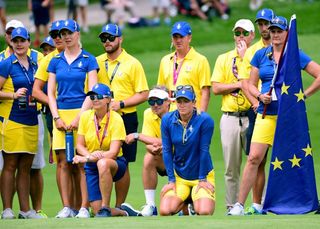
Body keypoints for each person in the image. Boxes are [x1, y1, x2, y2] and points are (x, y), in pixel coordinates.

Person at [228, 16, 320, 215]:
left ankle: (301, 201)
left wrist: (303, 96)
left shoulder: (295, 55)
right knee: (254, 158)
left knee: (294, 159)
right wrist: (260, 96)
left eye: (280, 31)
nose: (276, 34)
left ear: (287, 33)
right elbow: (250, 85)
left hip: (289, 119)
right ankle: (239, 205)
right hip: (266, 114)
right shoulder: (261, 55)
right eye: (273, 31)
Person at [47, 19, 98, 218]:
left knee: (81, 161)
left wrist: (80, 117)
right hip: (60, 114)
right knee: (63, 162)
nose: (66, 37)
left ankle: (84, 207)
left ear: (77, 34)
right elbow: (51, 92)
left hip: (83, 113)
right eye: (62, 34)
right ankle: (67, 206)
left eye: (69, 33)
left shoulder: (88, 59)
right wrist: (56, 117)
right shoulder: (55, 61)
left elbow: (92, 91)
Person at [96, 23, 149, 204]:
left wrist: (122, 103)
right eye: (104, 38)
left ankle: (119, 205)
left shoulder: (133, 63)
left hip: (125, 116)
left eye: (111, 38)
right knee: (102, 159)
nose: (107, 42)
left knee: (123, 162)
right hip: (102, 118)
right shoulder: (96, 62)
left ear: (120, 39)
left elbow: (144, 94)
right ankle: (103, 204)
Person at [72, 83, 139, 217]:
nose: (95, 99)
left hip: (115, 163)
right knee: (96, 211)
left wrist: (87, 158)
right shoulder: (85, 117)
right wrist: (90, 155)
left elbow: (113, 153)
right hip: (92, 163)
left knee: (102, 163)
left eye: (99, 96)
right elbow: (79, 145)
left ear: (108, 99)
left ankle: (105, 207)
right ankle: (124, 212)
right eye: (92, 96)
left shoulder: (116, 119)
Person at [211, 19, 255, 213]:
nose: (241, 37)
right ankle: (232, 205)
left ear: (252, 36)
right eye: (238, 33)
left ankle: (256, 204)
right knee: (231, 166)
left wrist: (246, 58)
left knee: (256, 162)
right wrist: (238, 85)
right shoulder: (223, 58)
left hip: (252, 115)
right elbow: (216, 87)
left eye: (245, 33)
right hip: (229, 116)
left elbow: (259, 86)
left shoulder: (258, 58)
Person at [0, 27, 42, 219]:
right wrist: (13, 95)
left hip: (32, 119)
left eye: (22, 40)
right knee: (10, 164)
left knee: (26, 166)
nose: (18, 44)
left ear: (28, 42)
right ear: (11, 42)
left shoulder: (35, 64)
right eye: (15, 41)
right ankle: (7, 208)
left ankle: (25, 210)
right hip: (13, 118)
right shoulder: (6, 64)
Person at [238, 8, 274, 215]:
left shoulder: (284, 47)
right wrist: (255, 103)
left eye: (266, 23)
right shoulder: (253, 52)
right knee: (257, 159)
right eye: (260, 24)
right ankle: (257, 204)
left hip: (279, 108)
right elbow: (245, 82)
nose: (263, 28)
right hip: (258, 107)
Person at [159, 85, 215, 215]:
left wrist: (202, 179)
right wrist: (171, 180)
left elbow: (204, 150)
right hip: (180, 176)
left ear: (194, 103)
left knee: (204, 211)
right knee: (165, 210)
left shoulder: (205, 120)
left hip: (202, 174)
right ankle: (186, 201)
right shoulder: (167, 120)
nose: (182, 105)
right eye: (179, 101)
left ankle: (193, 200)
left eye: (186, 101)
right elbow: (167, 150)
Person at [125, 86, 172, 216]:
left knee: (173, 208)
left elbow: (175, 141)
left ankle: (187, 204)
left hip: (180, 158)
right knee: (149, 157)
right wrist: (154, 148)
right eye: (152, 102)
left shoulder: (177, 113)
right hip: (162, 155)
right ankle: (150, 205)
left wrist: (137, 136)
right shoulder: (148, 113)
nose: (155, 105)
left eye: (159, 101)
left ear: (168, 101)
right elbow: (149, 144)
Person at [157, 21, 211, 112]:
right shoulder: (165, 60)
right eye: (175, 37)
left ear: (189, 38)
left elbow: (205, 91)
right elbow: (161, 90)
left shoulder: (200, 60)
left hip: (192, 113)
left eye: (181, 37)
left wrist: (202, 117)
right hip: (170, 115)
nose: (178, 40)